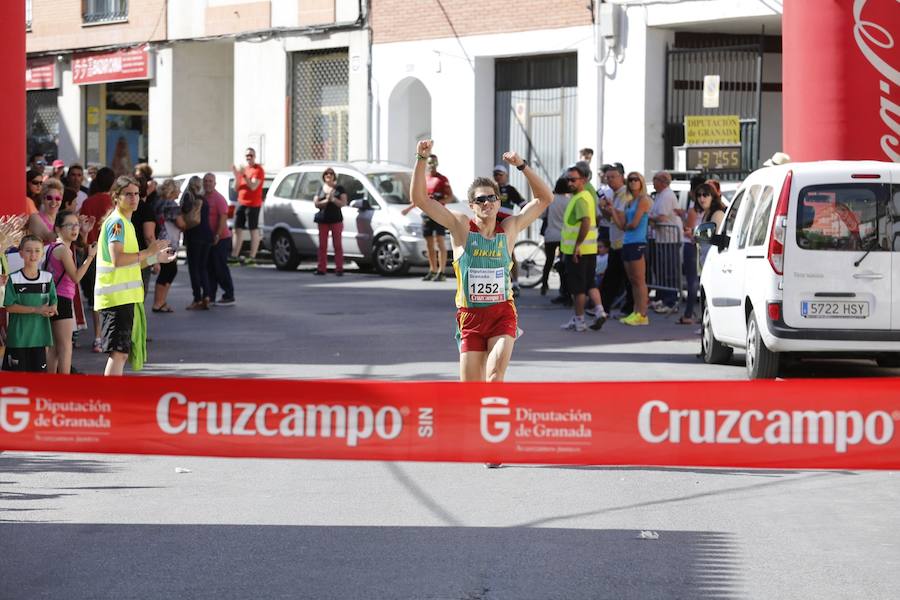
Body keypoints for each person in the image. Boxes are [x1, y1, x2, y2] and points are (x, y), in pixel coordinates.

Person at [411, 140, 552, 382]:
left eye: (491, 198)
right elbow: (421, 200)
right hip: (470, 317)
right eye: (480, 200)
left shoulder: (509, 228)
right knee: (471, 391)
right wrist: (421, 160)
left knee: (495, 377)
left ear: (498, 201)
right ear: (471, 205)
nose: (486, 203)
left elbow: (544, 199)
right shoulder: (461, 227)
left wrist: (522, 166)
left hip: (502, 314)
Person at [94, 175, 174, 376]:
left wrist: (157, 259)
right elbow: (117, 259)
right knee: (119, 353)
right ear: (116, 197)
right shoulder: (118, 224)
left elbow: (131, 263)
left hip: (124, 299)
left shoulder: (125, 223)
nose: (134, 198)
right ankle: (109, 400)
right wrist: (149, 252)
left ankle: (111, 398)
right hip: (116, 300)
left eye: (137, 194)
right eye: (128, 194)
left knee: (121, 352)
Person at [45, 211, 97, 374]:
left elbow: (79, 247)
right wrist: (90, 258)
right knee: (66, 348)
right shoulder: (63, 250)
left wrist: (85, 232)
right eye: (70, 225)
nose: (75, 229)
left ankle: (50, 386)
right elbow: (75, 277)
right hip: (62, 300)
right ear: (58, 228)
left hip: (53, 298)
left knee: (54, 348)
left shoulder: (55, 246)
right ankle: (64, 385)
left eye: (76, 224)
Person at [559, 164, 607, 332]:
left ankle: (579, 320)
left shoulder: (580, 199)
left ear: (583, 180)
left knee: (578, 288)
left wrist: (577, 246)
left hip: (577, 251)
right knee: (590, 283)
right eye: (568, 179)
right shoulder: (586, 196)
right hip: (589, 250)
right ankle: (600, 310)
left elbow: (586, 221)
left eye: (573, 180)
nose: (569, 183)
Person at [2, 235, 57, 372]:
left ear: (42, 254)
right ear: (20, 253)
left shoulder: (47, 278)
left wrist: (53, 308)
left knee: (38, 381)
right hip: (18, 338)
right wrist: (36, 309)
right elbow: (9, 306)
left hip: (39, 338)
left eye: (37, 250)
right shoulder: (14, 278)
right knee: (17, 382)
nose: (33, 254)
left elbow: (53, 300)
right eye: (28, 250)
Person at [606, 172, 653, 326]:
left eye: (636, 180)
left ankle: (642, 313)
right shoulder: (629, 202)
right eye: (630, 180)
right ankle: (636, 311)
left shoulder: (644, 200)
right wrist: (612, 210)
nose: (632, 182)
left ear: (641, 182)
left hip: (637, 242)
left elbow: (633, 224)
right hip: (627, 242)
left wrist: (626, 224)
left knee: (639, 281)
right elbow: (622, 225)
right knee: (633, 281)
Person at [79, 166, 116, 353]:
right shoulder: (115, 202)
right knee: (113, 296)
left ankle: (98, 337)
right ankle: (113, 335)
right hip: (112, 254)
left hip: (92, 253)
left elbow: (82, 227)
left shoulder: (88, 202)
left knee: (97, 298)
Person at [406, 154, 452, 281]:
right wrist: (408, 209)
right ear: (427, 164)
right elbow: (419, 197)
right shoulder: (425, 179)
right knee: (429, 244)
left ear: (437, 163)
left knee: (440, 242)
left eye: (434, 163)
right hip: (426, 214)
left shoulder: (442, 179)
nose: (432, 165)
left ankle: (442, 272)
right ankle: (432, 270)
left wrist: (439, 202)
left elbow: (450, 196)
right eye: (430, 162)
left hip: (438, 213)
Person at [598, 163, 633, 317]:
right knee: (613, 277)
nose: (610, 180)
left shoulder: (625, 194)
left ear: (621, 177)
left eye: (613, 177)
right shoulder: (613, 194)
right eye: (608, 177)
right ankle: (603, 308)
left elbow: (621, 219)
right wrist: (602, 208)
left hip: (624, 242)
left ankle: (626, 308)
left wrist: (611, 209)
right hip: (615, 241)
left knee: (626, 279)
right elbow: (610, 217)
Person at [648, 171, 682, 314]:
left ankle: (670, 300)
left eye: (655, 180)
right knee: (661, 270)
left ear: (661, 182)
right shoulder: (661, 195)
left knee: (669, 270)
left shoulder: (667, 196)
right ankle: (661, 298)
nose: (653, 183)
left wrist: (650, 218)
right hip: (662, 238)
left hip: (670, 239)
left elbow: (661, 218)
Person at [492, 163, 527, 297]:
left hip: (507, 226)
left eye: (500, 175)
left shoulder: (510, 190)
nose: (497, 177)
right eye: (495, 175)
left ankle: (516, 283)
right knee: (493, 254)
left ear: (506, 176)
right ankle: (498, 282)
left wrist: (519, 221)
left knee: (509, 254)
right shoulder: (490, 189)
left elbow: (523, 205)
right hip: (493, 226)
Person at [181, 176, 213, 309]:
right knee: (203, 267)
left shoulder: (189, 197)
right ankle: (206, 295)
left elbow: (184, 212)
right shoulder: (204, 199)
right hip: (207, 236)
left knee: (194, 268)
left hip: (195, 236)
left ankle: (197, 298)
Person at [230, 147, 265, 266]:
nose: (249, 157)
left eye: (251, 155)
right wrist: (237, 176)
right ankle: (234, 256)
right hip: (241, 202)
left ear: (255, 157)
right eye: (247, 156)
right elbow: (236, 188)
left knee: (253, 229)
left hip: (253, 204)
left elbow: (253, 186)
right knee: (236, 229)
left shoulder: (258, 170)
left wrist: (243, 175)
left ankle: (252, 257)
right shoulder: (245, 170)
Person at [204, 172, 235, 305]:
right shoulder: (203, 197)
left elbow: (223, 219)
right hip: (208, 239)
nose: (208, 183)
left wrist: (217, 234)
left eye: (210, 181)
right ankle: (211, 296)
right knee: (210, 267)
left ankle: (229, 295)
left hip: (221, 238)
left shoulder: (219, 199)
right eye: (205, 181)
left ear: (215, 183)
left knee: (220, 267)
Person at [151, 179, 182, 313]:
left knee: (168, 270)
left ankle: (161, 302)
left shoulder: (157, 203)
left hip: (160, 239)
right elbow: (181, 223)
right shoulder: (171, 205)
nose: (179, 192)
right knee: (169, 271)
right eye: (178, 189)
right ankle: (159, 302)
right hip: (168, 240)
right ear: (172, 190)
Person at [313, 167, 347, 276]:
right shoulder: (320, 188)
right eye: (326, 174)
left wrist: (333, 199)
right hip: (323, 220)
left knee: (337, 245)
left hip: (336, 220)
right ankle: (321, 268)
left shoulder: (339, 188)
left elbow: (343, 203)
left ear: (334, 176)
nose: (329, 175)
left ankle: (339, 268)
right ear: (324, 176)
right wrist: (327, 200)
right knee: (322, 246)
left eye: (331, 174)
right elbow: (316, 203)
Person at [540, 176, 570, 298]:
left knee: (549, 261)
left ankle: (544, 284)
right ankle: (563, 288)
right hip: (564, 236)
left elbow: (542, 215)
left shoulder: (551, 200)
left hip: (550, 234)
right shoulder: (569, 201)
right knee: (563, 263)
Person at [26, 178, 65, 244]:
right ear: (43, 199)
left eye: (57, 198)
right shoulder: (35, 218)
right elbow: (51, 238)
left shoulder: (61, 219)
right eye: (49, 198)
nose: (53, 202)